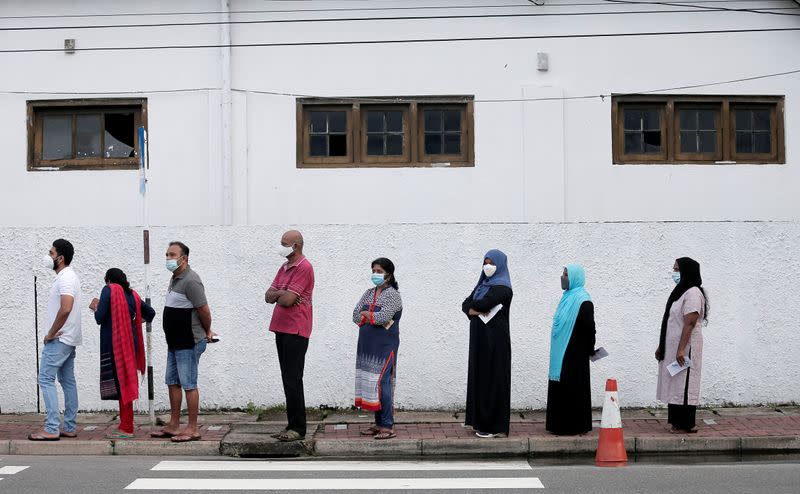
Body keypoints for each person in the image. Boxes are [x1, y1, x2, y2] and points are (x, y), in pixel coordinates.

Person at [151, 241, 217, 443]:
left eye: (172, 255)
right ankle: (173, 424)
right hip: (175, 341)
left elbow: (204, 310)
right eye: (167, 254)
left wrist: (207, 331)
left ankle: (192, 428)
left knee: (189, 384)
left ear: (184, 258)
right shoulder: (175, 278)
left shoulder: (191, 281)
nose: (168, 258)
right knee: (172, 382)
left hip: (189, 342)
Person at [89, 268, 156, 439]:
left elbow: (100, 317)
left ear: (108, 280)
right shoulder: (132, 295)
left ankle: (126, 427)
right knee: (125, 381)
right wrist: (131, 324)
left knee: (121, 384)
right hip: (130, 345)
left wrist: (96, 307)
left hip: (114, 345)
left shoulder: (108, 290)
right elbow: (150, 313)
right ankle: (125, 424)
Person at [29, 239, 82, 441]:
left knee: (45, 379)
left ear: (60, 258)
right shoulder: (68, 277)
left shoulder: (66, 278)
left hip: (59, 339)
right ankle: (69, 426)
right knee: (68, 381)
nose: (48, 256)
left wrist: (51, 333)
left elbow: (66, 307)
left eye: (51, 253)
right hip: (68, 338)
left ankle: (51, 428)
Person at [265, 230, 315, 442]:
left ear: (296, 246)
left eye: (285, 243)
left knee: (293, 378)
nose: (281, 246)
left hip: (296, 329)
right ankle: (291, 424)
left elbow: (288, 300)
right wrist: (280, 294)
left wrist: (281, 295)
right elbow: (269, 296)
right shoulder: (284, 267)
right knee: (287, 378)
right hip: (281, 327)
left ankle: (298, 427)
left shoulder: (304, 267)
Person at [461, 249, 513, 438]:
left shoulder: (503, 288)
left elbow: (484, 304)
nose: (487, 266)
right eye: (485, 262)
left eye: (491, 263)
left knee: (494, 378)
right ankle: (479, 421)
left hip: (495, 341)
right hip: (479, 339)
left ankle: (494, 425)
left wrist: (473, 309)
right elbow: (465, 304)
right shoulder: (481, 285)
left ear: (500, 264)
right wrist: (472, 309)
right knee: (480, 377)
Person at [655, 257, 708, 433]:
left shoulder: (693, 293)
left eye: (677, 269)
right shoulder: (680, 291)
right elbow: (669, 321)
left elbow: (690, 322)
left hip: (686, 347)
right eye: (674, 269)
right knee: (675, 383)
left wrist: (681, 349)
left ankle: (686, 424)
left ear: (687, 271)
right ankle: (676, 422)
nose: (674, 272)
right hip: (675, 347)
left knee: (685, 384)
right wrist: (661, 346)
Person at [353, 258, 403, 440]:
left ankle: (387, 425)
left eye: (379, 271)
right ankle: (378, 423)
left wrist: (367, 315)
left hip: (384, 346)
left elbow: (383, 317)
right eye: (374, 270)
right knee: (372, 384)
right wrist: (369, 315)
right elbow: (355, 315)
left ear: (388, 274)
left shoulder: (393, 295)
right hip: (367, 345)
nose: (375, 274)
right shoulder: (368, 293)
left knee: (383, 383)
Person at [545, 264, 596, 436]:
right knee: (561, 387)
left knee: (573, 388)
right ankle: (558, 424)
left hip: (575, 353)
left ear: (575, 277)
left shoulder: (583, 299)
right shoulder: (566, 297)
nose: (563, 277)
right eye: (563, 273)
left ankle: (574, 425)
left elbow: (589, 327)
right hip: (562, 352)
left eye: (566, 274)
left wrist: (590, 348)